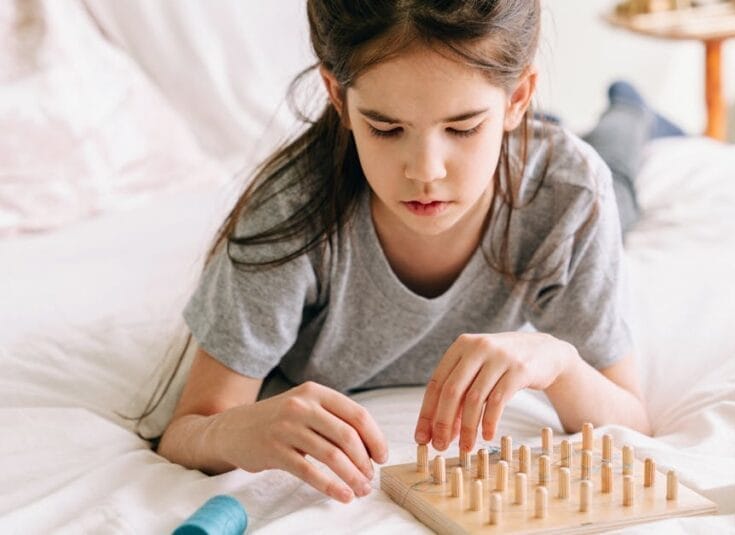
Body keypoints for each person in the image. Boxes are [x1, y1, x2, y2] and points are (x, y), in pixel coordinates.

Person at [154, 0, 684, 505]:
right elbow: (188, 430)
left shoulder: (566, 192)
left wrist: (562, 363)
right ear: (337, 97)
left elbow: (629, 419)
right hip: (513, 153)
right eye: (386, 129)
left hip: (544, 162)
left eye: (462, 127)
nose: (425, 172)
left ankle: (630, 111)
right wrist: (234, 432)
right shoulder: (290, 216)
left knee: (618, 184)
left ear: (518, 99)